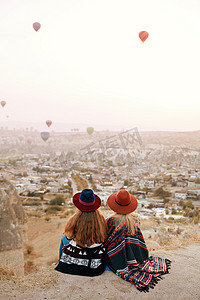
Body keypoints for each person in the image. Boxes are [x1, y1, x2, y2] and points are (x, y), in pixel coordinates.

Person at [105, 189, 171, 292]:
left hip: (118, 258)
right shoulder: (136, 219)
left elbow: (108, 241)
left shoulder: (110, 221)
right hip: (138, 256)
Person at [55, 189, 108, 276]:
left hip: (78, 246)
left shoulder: (75, 218)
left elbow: (70, 235)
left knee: (64, 239)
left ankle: (61, 260)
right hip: (96, 250)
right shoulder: (101, 219)